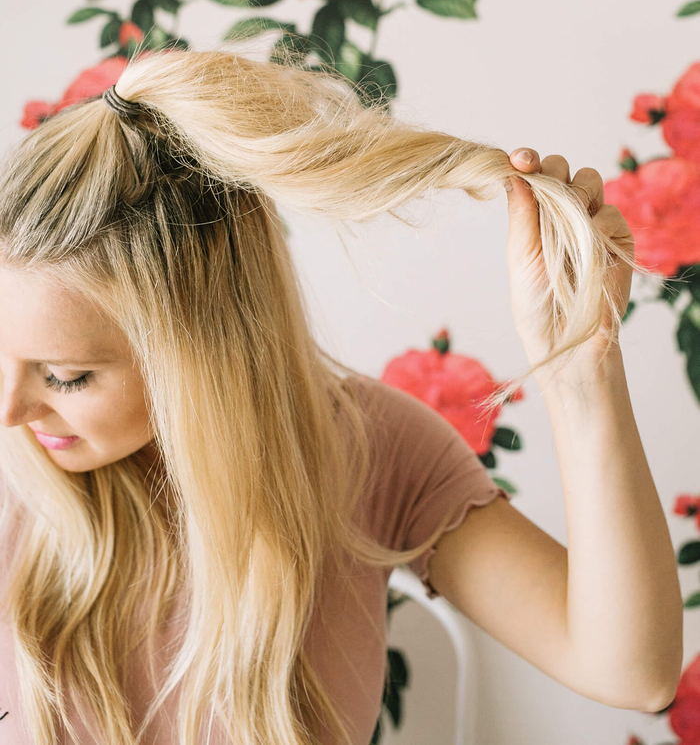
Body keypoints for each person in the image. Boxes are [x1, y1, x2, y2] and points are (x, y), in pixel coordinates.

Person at [0, 45, 683, 745]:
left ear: (196, 352)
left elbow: (633, 672)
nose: (10, 412)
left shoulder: (372, 450)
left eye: (65, 376)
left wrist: (578, 363)